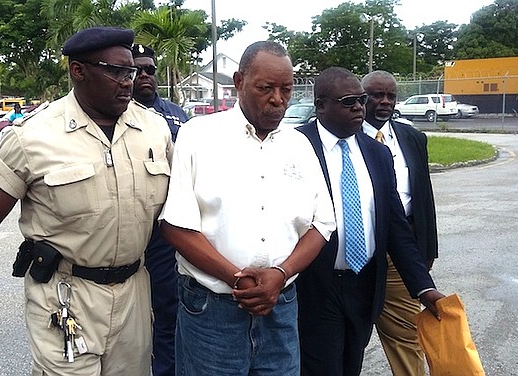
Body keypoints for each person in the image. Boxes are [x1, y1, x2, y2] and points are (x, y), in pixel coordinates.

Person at [0, 26, 173, 376]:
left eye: (130, 71)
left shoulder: (155, 130)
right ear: (78, 70)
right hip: (65, 298)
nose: (127, 81)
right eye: (114, 71)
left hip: (134, 294)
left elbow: (174, 216)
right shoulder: (33, 137)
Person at [159, 41, 336, 375]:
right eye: (265, 88)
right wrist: (238, 279)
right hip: (212, 311)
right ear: (239, 81)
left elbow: (322, 224)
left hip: (279, 307)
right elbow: (176, 226)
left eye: (286, 89)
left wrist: (279, 276)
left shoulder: (299, 145)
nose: (278, 99)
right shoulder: (199, 135)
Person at [295, 66, 445, 376]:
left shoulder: (377, 153)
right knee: (321, 367)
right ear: (321, 105)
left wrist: (423, 288)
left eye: (361, 100)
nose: (359, 108)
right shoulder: (295, 145)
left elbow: (395, 228)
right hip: (314, 286)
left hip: (364, 285)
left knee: (351, 366)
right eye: (348, 101)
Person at [361, 70, 438, 376]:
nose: (384, 102)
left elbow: (423, 198)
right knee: (348, 338)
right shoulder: (345, 137)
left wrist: (426, 252)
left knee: (407, 338)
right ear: (360, 97)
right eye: (376, 95)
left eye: (390, 96)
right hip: (355, 252)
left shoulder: (412, 138)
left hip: (400, 256)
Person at [131, 43, 188, 376]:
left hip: (166, 232)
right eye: (135, 69)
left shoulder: (177, 116)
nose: (143, 76)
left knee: (168, 309)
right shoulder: (119, 114)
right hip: (128, 230)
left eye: (149, 69)